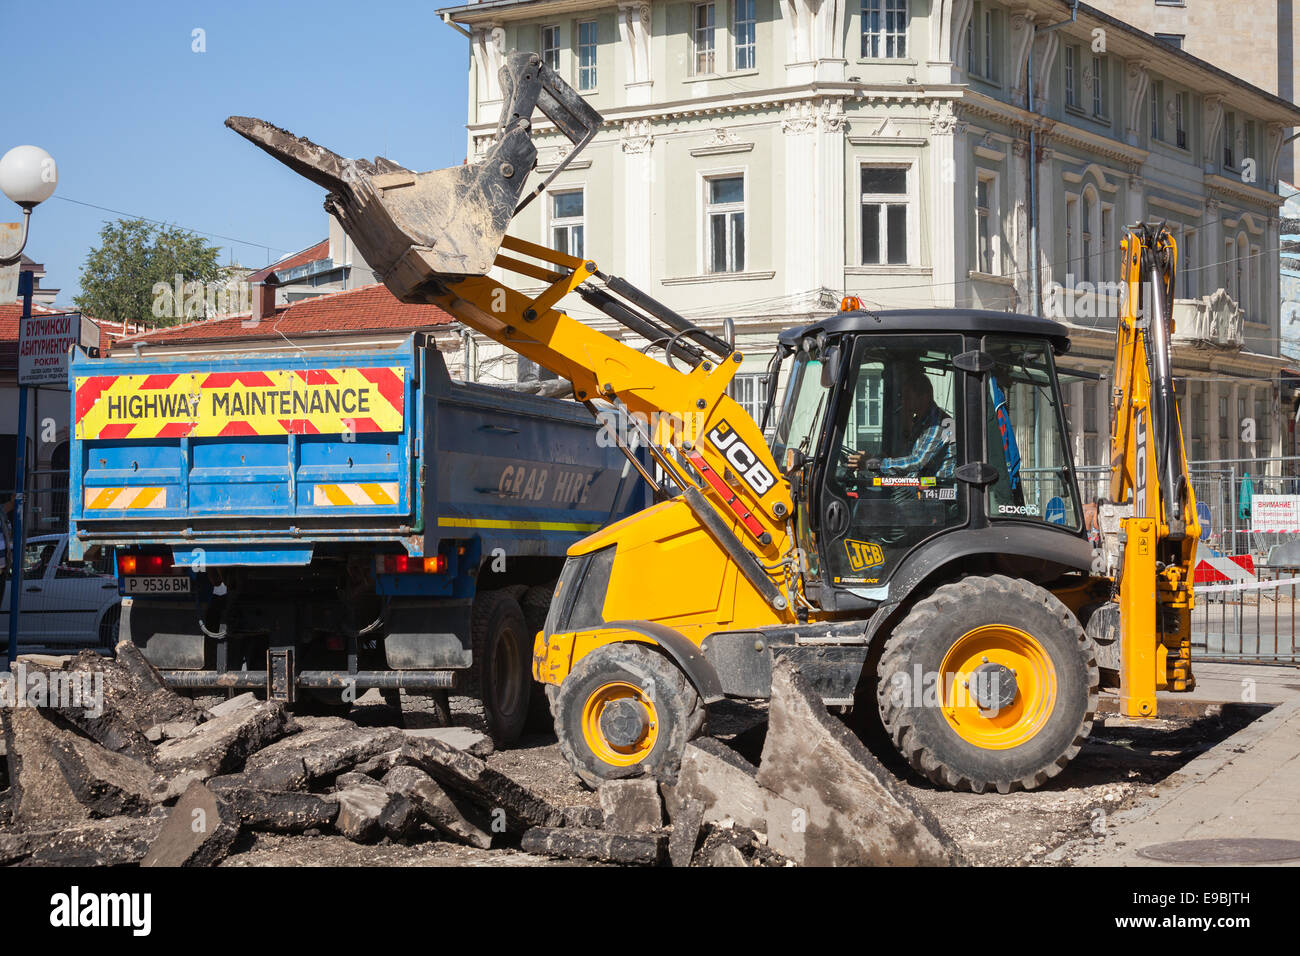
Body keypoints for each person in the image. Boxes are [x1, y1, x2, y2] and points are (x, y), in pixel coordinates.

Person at [848, 365, 955, 481]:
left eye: (908, 397)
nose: (903, 402)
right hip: (919, 488)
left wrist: (874, 464)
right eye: (902, 397)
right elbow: (907, 456)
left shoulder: (939, 424)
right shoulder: (921, 421)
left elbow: (917, 461)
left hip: (935, 491)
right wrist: (875, 458)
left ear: (925, 396)